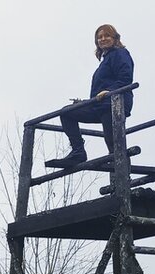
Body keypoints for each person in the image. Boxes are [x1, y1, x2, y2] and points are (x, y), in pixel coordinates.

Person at [50, 24, 134, 167]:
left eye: (107, 35)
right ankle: (78, 152)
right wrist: (86, 102)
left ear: (115, 38)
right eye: (99, 37)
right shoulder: (105, 60)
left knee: (114, 146)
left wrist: (110, 91)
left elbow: (126, 78)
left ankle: (122, 181)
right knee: (67, 112)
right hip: (101, 105)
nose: (103, 39)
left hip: (113, 105)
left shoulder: (120, 54)